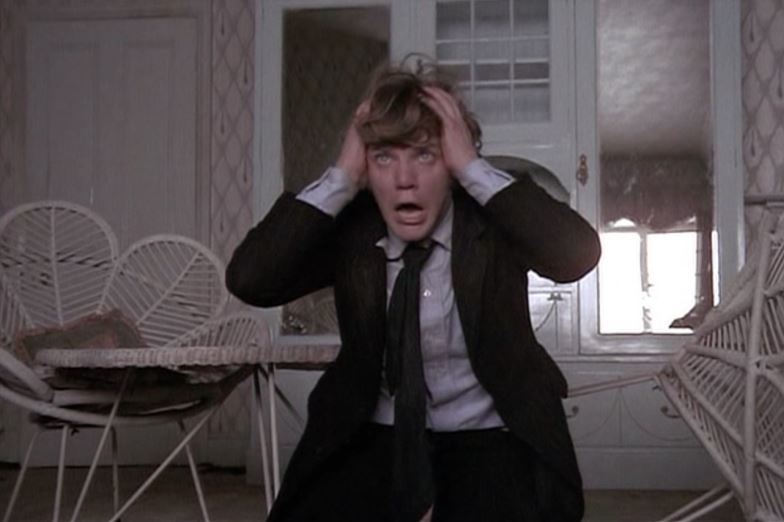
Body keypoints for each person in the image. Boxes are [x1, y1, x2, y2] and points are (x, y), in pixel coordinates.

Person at [226, 59, 601, 522]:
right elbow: (251, 280)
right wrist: (341, 177)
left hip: (490, 435)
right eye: (384, 157)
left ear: (451, 165)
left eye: (425, 154)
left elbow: (577, 255)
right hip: (373, 431)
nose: (405, 178)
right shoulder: (355, 229)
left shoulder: (493, 222)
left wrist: (473, 167)